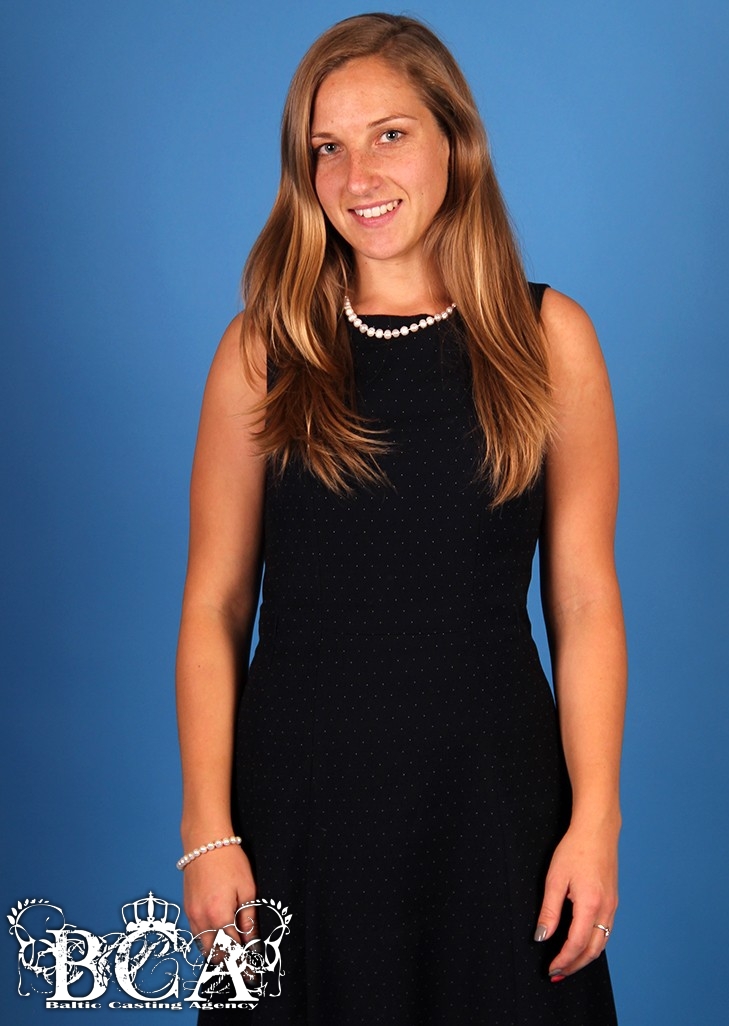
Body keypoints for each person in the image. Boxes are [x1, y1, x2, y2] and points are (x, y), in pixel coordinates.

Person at [175, 12, 626, 1025]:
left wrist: (595, 818)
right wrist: (208, 829)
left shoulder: (549, 337)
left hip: (496, 813)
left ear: (455, 142)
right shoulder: (260, 352)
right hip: (297, 818)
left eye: (389, 134)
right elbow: (215, 604)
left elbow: (585, 599)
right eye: (326, 148)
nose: (357, 176)